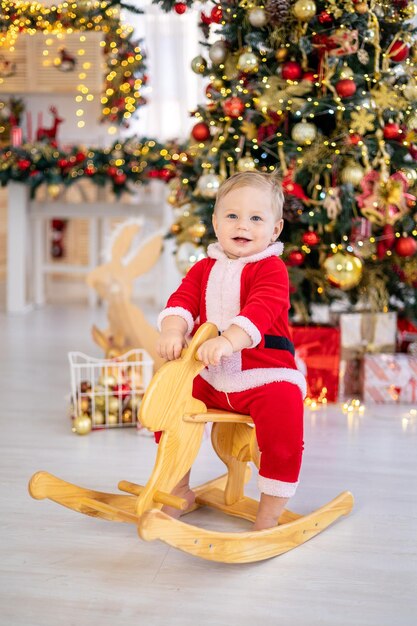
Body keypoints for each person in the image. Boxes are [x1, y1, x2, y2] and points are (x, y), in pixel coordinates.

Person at [156, 171, 306, 530]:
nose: (243, 225)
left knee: (285, 419)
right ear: (215, 221)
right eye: (232, 216)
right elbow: (182, 300)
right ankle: (177, 487)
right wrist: (174, 330)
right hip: (209, 375)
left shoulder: (271, 269)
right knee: (169, 402)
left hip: (263, 374)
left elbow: (261, 309)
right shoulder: (205, 267)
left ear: (275, 229)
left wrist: (229, 340)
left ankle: (269, 515)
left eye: (256, 218)